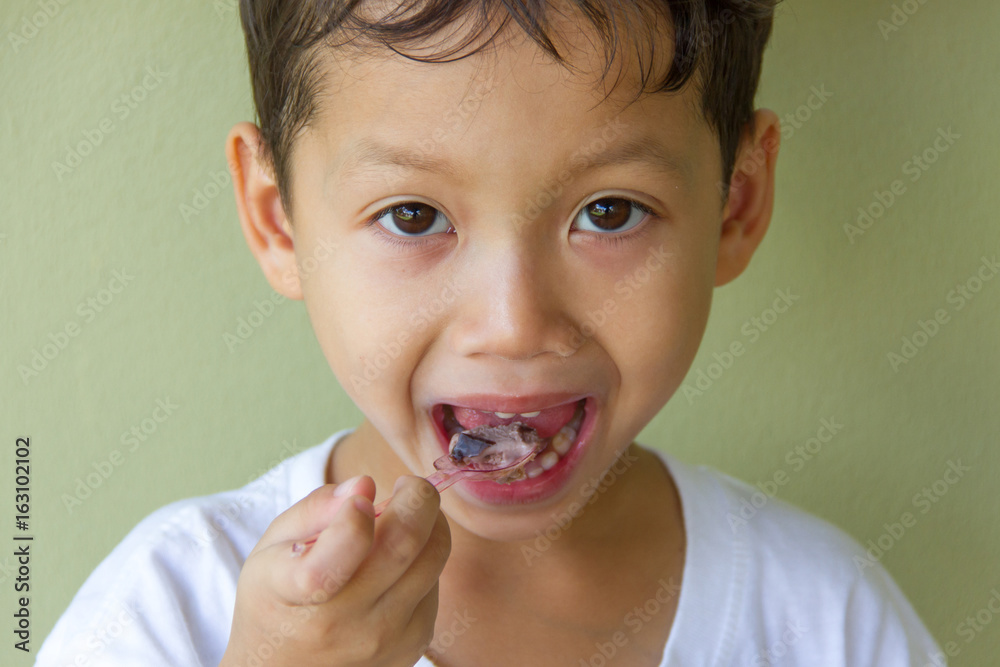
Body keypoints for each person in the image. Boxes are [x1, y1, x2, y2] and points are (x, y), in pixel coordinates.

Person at [37, 0, 947, 665]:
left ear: (735, 203)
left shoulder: (827, 621)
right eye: (412, 217)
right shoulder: (169, 608)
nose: (513, 324)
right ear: (279, 221)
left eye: (611, 210)